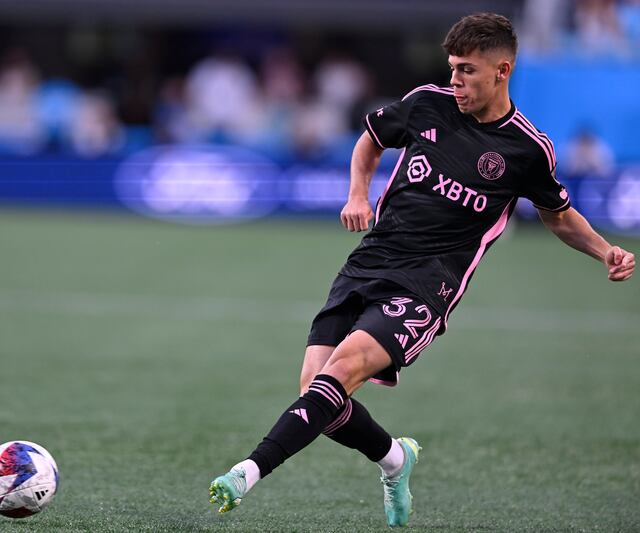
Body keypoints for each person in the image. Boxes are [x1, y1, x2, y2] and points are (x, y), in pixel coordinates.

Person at [208, 12, 635, 528]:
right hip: (369, 260)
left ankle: (247, 471)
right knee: (315, 393)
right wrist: (357, 194)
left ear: (502, 71)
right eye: (452, 67)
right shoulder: (426, 103)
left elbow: (559, 216)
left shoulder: (527, 148)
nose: (454, 81)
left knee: (337, 375)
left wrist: (604, 250)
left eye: (467, 71)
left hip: (428, 283)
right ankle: (394, 458)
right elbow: (369, 139)